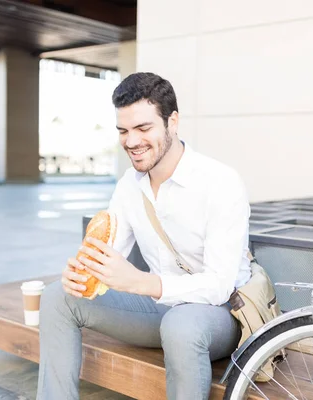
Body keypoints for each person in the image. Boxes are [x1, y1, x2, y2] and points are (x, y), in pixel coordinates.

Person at [36, 72, 252, 400]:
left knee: (181, 325)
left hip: (219, 313)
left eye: (143, 128)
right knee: (57, 297)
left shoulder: (220, 182)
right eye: (123, 131)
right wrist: (82, 274)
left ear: (172, 121)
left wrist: (140, 283)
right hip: (159, 309)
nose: (132, 141)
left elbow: (220, 284)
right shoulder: (128, 185)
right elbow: (108, 252)